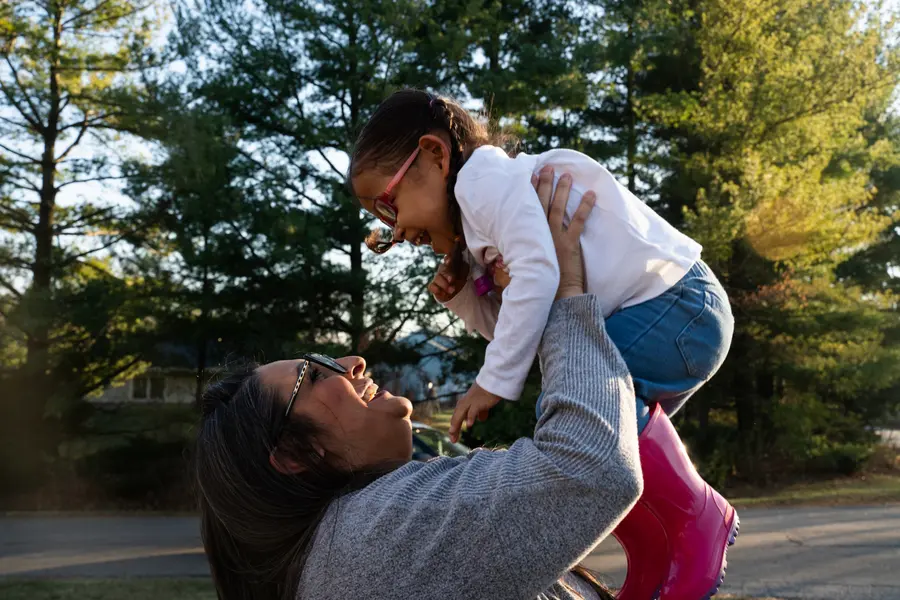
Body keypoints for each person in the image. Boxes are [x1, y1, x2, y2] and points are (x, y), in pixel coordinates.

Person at [348, 88, 738, 600]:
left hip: (675, 306)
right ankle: (655, 552)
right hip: (661, 317)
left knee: (585, 419)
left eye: (387, 206)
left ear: (436, 154)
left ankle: (700, 520)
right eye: (381, 228)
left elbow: (539, 272)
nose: (395, 232)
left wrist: (492, 381)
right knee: (601, 441)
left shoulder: (483, 182)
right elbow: (525, 324)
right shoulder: (484, 221)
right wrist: (468, 296)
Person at [194, 181, 639, 600]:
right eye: (313, 376)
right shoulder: (366, 543)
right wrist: (564, 292)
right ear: (292, 456)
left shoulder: (344, 548)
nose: (351, 363)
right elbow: (594, 466)